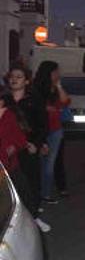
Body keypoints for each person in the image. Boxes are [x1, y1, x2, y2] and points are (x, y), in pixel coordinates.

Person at [6, 64, 48, 225]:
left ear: (27, 81)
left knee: (31, 181)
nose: (14, 80)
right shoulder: (4, 100)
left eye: (19, 77)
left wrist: (37, 143)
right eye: (12, 77)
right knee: (10, 183)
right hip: (7, 149)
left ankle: (33, 217)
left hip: (28, 147)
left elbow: (42, 125)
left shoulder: (34, 100)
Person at [0, 93, 46, 231]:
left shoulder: (9, 115)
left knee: (23, 191)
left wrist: (14, 146)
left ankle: (34, 219)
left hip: (11, 164)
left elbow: (19, 137)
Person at [32, 61, 69, 203]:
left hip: (55, 130)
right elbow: (35, 106)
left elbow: (65, 101)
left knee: (50, 163)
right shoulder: (37, 88)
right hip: (41, 129)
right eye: (55, 72)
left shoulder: (56, 87)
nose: (58, 74)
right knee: (40, 162)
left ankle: (45, 194)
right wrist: (45, 108)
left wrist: (58, 86)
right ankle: (38, 192)